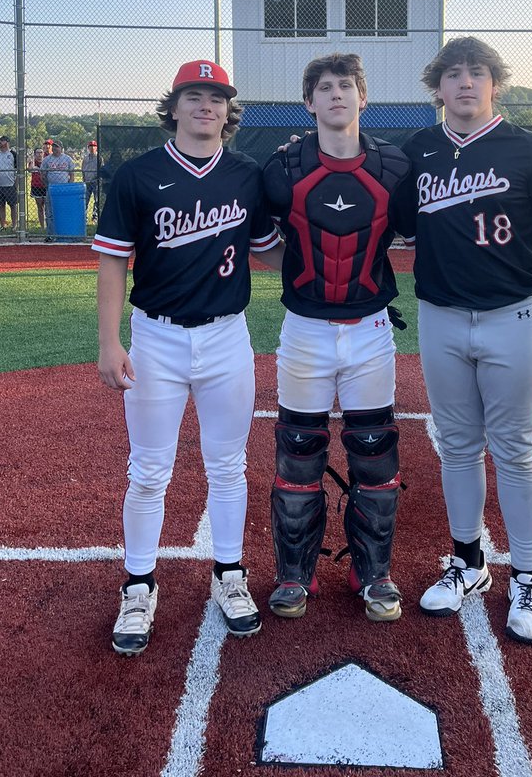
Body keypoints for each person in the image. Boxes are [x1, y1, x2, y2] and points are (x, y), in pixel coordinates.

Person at [397, 37, 532, 646]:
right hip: (440, 317)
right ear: (437, 87)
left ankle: (527, 578)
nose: (465, 83)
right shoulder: (419, 152)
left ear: (495, 84)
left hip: (514, 316)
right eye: (453, 74)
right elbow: (394, 229)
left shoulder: (530, 151)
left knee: (515, 449)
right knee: (457, 445)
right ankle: (468, 563)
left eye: (477, 73)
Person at [94, 60, 283, 656]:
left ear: (229, 112)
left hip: (228, 336)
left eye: (217, 97)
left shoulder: (247, 175)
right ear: (172, 107)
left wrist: (340, 260)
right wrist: (108, 340)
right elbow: (113, 261)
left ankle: (229, 574)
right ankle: (139, 583)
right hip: (158, 338)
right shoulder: (138, 175)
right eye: (193, 96)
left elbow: (272, 253)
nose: (206, 105)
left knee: (227, 466)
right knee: (149, 469)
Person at [262, 53, 411, 623]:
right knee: (298, 451)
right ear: (308, 103)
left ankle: (372, 572)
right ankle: (294, 575)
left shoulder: (395, 168)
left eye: (346, 86)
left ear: (363, 97)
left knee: (374, 453)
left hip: (371, 330)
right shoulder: (282, 168)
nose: (335, 95)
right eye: (324, 88)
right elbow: (256, 237)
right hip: (304, 330)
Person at [40, 139, 75, 242]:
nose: (55, 148)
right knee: (49, 212)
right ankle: (50, 234)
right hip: (51, 188)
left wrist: (69, 186)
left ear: (61, 148)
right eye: (54, 146)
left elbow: (72, 174)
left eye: (57, 146)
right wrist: (47, 185)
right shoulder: (47, 159)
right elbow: (43, 174)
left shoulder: (67, 159)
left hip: (63, 189)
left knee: (63, 211)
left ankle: (63, 233)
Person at [0, 135, 19, 230]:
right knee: (1, 205)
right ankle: (2, 225)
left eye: (1, 141)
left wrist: (16, 183)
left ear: (7, 142)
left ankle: (14, 225)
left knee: (13, 205)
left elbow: (18, 170)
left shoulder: (13, 154)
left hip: (10, 184)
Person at [28, 147, 47, 230]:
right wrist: (32, 160)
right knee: (40, 206)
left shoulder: (46, 161)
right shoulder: (33, 162)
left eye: (41, 152)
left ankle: (49, 225)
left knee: (48, 207)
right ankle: (42, 226)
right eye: (37, 153)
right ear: (35, 154)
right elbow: (30, 169)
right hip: (36, 186)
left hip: (45, 186)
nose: (39, 154)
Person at [82, 140, 100, 220]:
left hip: (95, 182)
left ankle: (94, 216)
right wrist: (84, 179)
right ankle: (84, 217)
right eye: (90, 146)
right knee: (85, 200)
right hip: (87, 181)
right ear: (88, 148)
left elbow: (101, 169)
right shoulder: (85, 158)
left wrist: (97, 179)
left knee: (96, 200)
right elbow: (83, 169)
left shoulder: (99, 158)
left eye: (94, 146)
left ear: (96, 148)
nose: (92, 148)